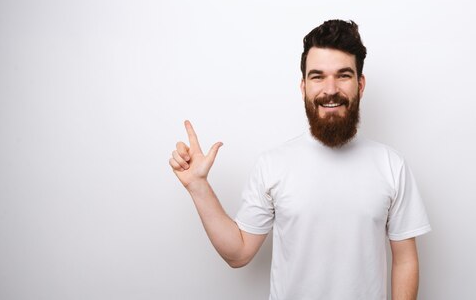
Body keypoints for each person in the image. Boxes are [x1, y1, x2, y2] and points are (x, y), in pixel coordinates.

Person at [169, 19, 431, 300]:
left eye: (343, 75)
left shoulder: (391, 165)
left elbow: (405, 260)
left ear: (360, 84)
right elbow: (239, 253)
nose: (330, 89)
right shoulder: (273, 165)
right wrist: (198, 187)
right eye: (318, 76)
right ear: (304, 86)